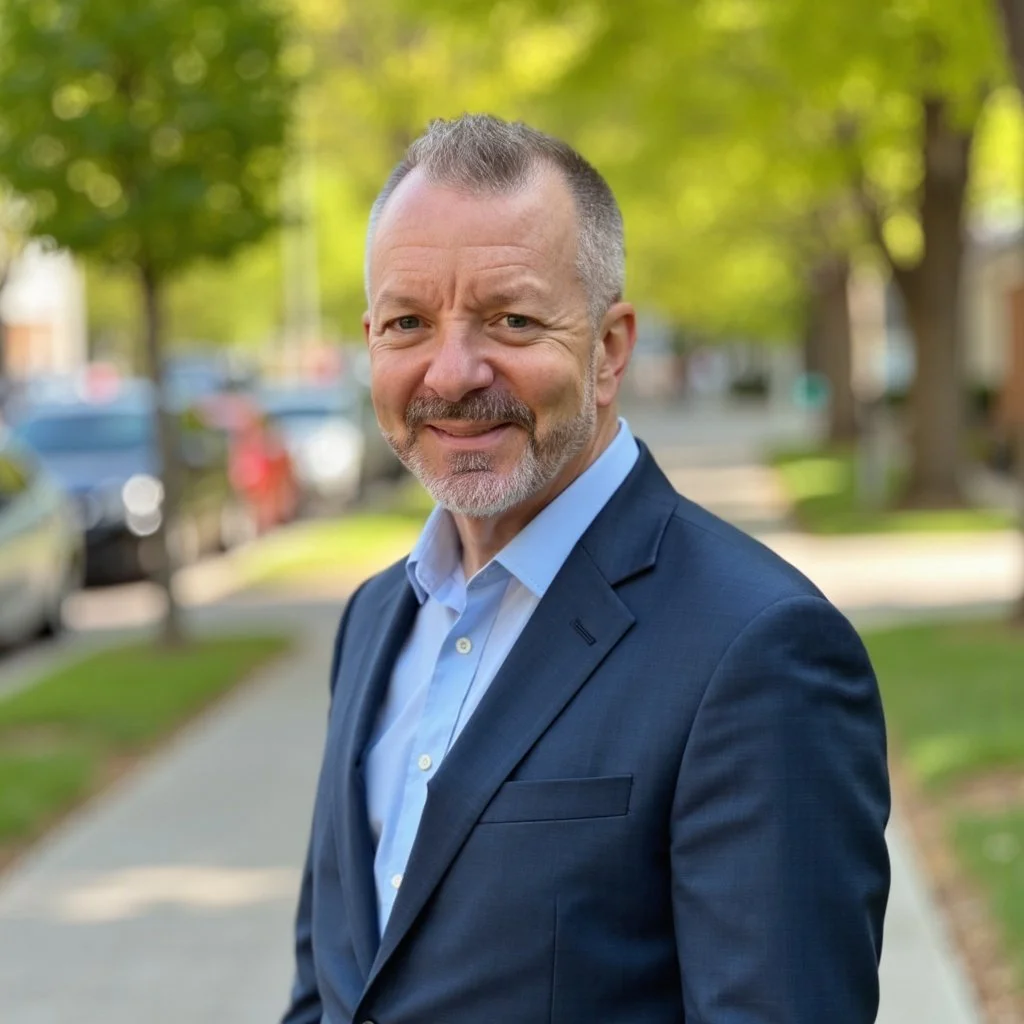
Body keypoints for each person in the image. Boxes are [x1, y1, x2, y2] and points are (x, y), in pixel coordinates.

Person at [280, 114, 890, 1024]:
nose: (452, 373)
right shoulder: (373, 621)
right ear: (371, 340)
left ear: (608, 350)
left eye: (511, 320)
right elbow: (327, 992)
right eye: (409, 323)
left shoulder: (758, 650)